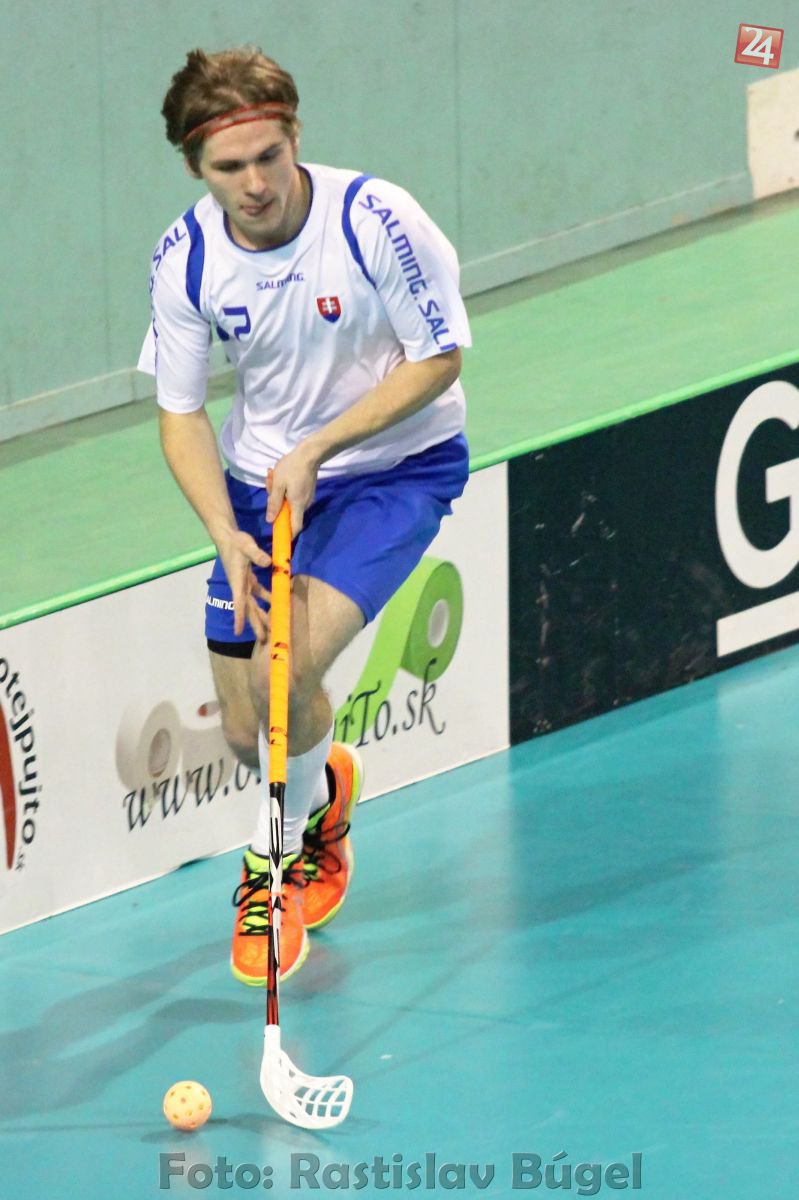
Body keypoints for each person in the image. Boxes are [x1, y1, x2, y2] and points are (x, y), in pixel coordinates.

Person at [138, 46, 471, 984]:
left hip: (391, 469)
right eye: (228, 167)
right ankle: (324, 795)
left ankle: (269, 869)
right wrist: (223, 532)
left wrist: (319, 447)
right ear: (195, 169)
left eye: (268, 157)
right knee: (246, 731)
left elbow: (439, 357)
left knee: (283, 675)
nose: (254, 184)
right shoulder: (187, 258)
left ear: (294, 138)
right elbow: (179, 412)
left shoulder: (375, 220)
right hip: (257, 486)